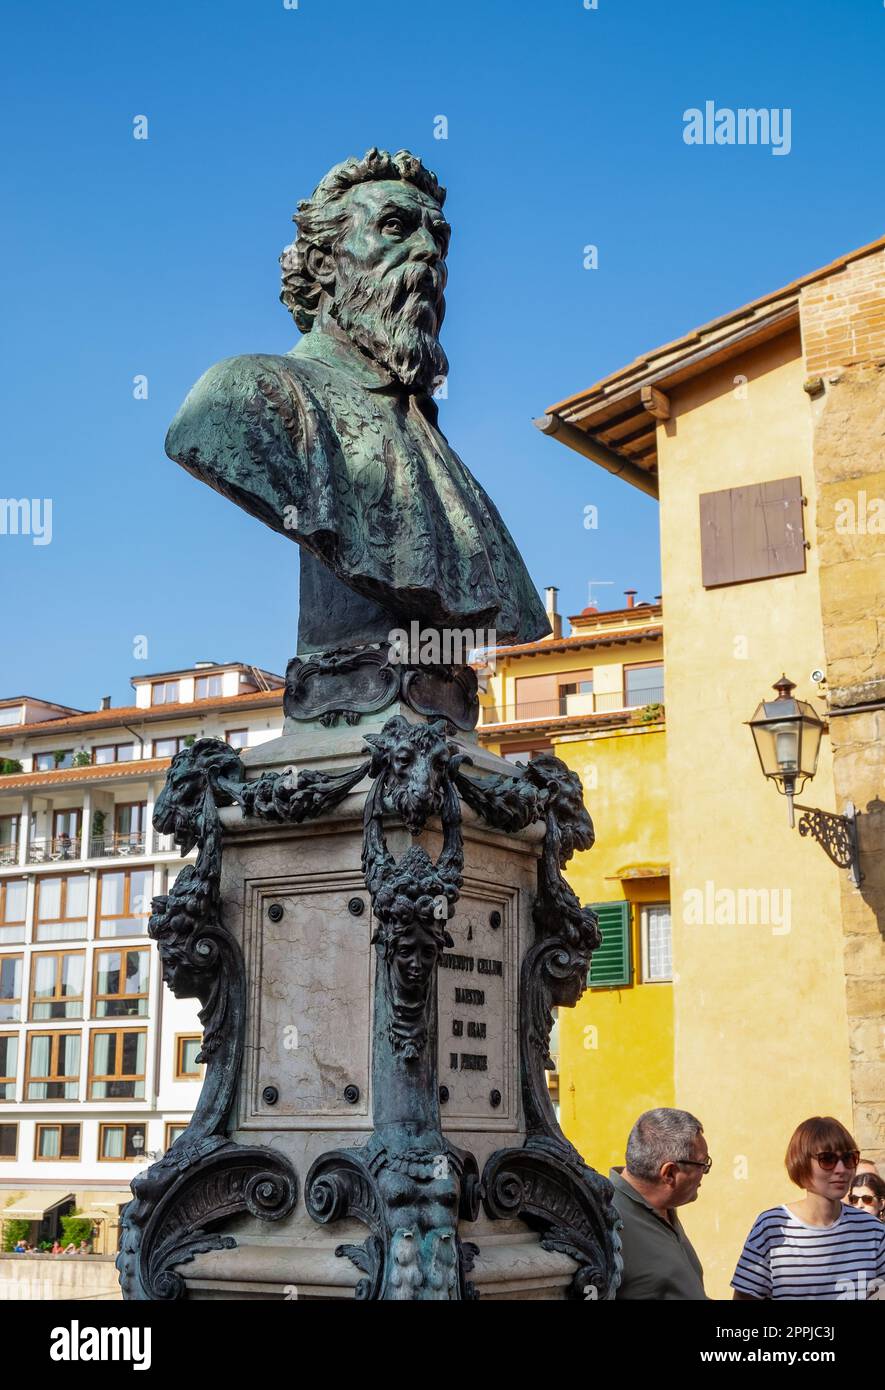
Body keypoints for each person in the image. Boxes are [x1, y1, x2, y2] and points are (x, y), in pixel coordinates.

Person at [732, 1116, 885, 1300]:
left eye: (849, 1158)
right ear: (801, 1163)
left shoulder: (873, 1230)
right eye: (827, 1159)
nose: (841, 1169)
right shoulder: (772, 1227)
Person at [609, 1107, 709, 1299]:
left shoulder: (663, 1204)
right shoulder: (607, 1218)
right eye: (703, 1164)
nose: (704, 1172)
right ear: (669, 1173)